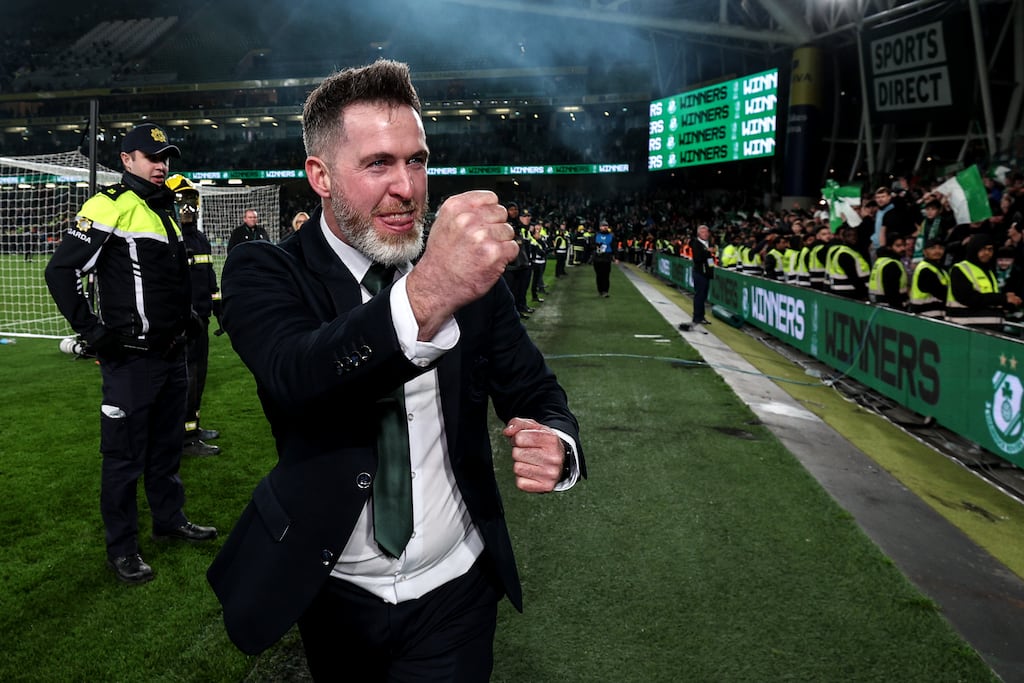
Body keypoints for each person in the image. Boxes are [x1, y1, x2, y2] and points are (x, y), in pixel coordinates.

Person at [206, 60, 585, 679]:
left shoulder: (471, 281)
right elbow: (298, 375)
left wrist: (559, 442)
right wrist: (431, 289)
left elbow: (535, 388)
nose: (407, 187)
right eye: (379, 163)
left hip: (457, 589)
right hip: (334, 592)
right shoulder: (266, 271)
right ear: (321, 176)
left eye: (417, 160)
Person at [44, 123, 217, 585]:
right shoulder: (108, 206)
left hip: (170, 356)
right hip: (131, 361)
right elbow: (61, 272)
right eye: (152, 156)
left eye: (166, 157)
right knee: (122, 459)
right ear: (126, 160)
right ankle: (122, 548)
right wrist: (93, 333)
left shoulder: (164, 211)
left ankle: (169, 519)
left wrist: (189, 319)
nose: (162, 165)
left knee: (165, 449)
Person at [166, 174, 222, 457]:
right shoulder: (167, 237)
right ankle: (183, 439)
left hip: (201, 321)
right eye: (180, 202)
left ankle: (193, 428)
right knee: (185, 379)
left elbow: (208, 279)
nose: (186, 207)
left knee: (198, 377)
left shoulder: (199, 238)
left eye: (190, 201)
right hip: (181, 324)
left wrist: (218, 308)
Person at [946, 233, 1023, 330]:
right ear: (974, 249)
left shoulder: (989, 272)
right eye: (983, 249)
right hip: (967, 330)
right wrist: (1003, 298)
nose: (987, 253)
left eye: (990, 249)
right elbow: (968, 298)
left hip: (989, 330)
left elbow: (990, 300)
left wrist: (1011, 302)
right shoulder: (960, 269)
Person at [828, 225, 871, 300]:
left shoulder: (853, 251)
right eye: (849, 235)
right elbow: (853, 277)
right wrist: (864, 294)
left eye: (855, 235)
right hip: (848, 292)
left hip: (847, 291)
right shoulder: (844, 254)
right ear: (843, 238)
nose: (853, 237)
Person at [909, 238, 949, 318]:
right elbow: (941, 293)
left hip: (936, 314)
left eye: (940, 248)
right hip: (926, 316)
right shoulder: (925, 270)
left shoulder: (941, 269)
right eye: (932, 248)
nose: (937, 251)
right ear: (925, 252)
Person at [868, 235, 909, 309]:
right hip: (890, 308)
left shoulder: (881, 260)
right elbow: (891, 292)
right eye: (898, 246)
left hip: (878, 305)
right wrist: (900, 309)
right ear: (889, 247)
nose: (903, 248)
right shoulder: (891, 264)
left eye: (904, 245)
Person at [691, 224, 715, 325]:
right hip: (699, 273)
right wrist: (707, 252)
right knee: (699, 295)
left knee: (703, 296)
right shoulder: (696, 243)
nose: (705, 234)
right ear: (698, 233)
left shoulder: (707, 243)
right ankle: (697, 317)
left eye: (706, 232)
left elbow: (709, 259)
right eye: (703, 232)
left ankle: (701, 316)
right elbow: (697, 258)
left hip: (706, 273)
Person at [593, 218, 614, 297]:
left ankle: (605, 291)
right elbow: (591, 245)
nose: (605, 227)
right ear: (600, 227)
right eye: (603, 226)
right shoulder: (596, 235)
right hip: (597, 258)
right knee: (599, 275)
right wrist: (597, 246)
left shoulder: (611, 236)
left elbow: (614, 246)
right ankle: (600, 290)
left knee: (606, 275)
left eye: (606, 226)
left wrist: (616, 257)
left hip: (606, 258)